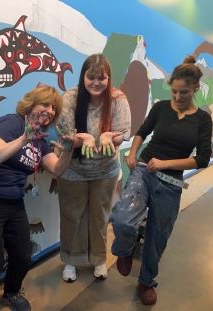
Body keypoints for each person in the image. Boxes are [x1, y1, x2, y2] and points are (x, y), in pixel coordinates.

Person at [0, 85, 74, 311]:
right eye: (45, 104)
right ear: (30, 104)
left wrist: (69, 150)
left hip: (12, 202)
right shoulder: (12, 123)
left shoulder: (40, 140)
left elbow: (57, 169)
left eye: (54, 107)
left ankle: (11, 292)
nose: (50, 110)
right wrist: (23, 139)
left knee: (22, 255)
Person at [111, 55, 213, 305]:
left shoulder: (202, 119)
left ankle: (146, 282)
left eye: (184, 93)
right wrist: (133, 154)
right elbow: (142, 132)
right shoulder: (160, 108)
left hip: (171, 182)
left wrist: (166, 163)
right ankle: (123, 251)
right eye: (175, 91)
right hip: (145, 171)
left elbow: (202, 159)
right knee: (122, 219)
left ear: (195, 89)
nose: (178, 97)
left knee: (157, 238)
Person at [57, 54, 131, 282]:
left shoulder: (118, 99)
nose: (96, 82)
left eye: (102, 78)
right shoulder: (70, 97)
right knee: (72, 216)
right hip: (73, 168)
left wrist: (111, 137)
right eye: (91, 77)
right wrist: (84, 138)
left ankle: (99, 259)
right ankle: (71, 260)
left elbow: (124, 132)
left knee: (99, 217)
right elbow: (64, 133)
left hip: (105, 171)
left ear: (109, 79)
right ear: (83, 76)